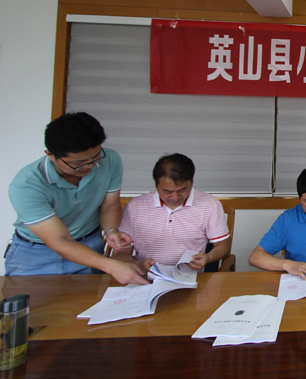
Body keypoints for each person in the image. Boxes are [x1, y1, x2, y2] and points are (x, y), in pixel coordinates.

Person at [4, 112, 148, 284]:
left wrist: (111, 231)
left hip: (89, 243)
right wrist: (112, 266)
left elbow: (109, 206)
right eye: (78, 163)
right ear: (50, 155)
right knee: (28, 300)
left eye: (95, 158)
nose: (89, 166)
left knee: (86, 299)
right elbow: (60, 240)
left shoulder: (110, 160)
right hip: (35, 253)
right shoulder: (26, 186)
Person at [113, 153, 231, 273]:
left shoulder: (209, 204)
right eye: (167, 191)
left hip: (190, 276)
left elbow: (223, 244)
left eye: (182, 190)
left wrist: (208, 257)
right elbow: (121, 254)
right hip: (145, 276)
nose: (175, 197)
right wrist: (137, 265)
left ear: (192, 181)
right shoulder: (135, 206)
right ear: (156, 185)